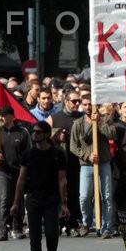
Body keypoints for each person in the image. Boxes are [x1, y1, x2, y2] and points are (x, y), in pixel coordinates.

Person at [11, 120, 70, 251]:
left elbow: (62, 180)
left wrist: (64, 204)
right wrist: (16, 203)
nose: (34, 134)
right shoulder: (28, 154)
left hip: (52, 200)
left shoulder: (58, 154)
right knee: (34, 239)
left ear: (47, 134)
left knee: (51, 235)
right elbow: (21, 179)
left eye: (38, 132)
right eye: (33, 132)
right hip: (33, 199)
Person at [0, 105, 32, 241]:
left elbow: (29, 150)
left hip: (19, 171)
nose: (1, 118)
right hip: (2, 171)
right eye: (0, 116)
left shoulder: (23, 132)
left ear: (12, 117)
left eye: (4, 116)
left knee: (18, 199)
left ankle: (17, 228)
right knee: (4, 200)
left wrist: (26, 165)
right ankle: (3, 229)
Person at [70, 103, 116, 238]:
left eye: (90, 104)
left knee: (106, 196)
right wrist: (86, 155)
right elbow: (73, 146)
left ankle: (106, 227)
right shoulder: (78, 123)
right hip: (86, 164)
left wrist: (100, 122)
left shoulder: (105, 119)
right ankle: (86, 222)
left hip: (104, 163)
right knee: (84, 196)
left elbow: (112, 134)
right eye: (85, 105)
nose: (88, 107)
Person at [47, 91, 84, 235]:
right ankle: (57, 222)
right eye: (74, 101)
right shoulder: (55, 117)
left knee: (74, 192)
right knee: (58, 191)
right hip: (58, 162)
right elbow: (42, 135)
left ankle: (72, 223)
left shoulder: (81, 118)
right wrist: (56, 136)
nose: (76, 104)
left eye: (78, 101)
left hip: (76, 161)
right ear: (66, 101)